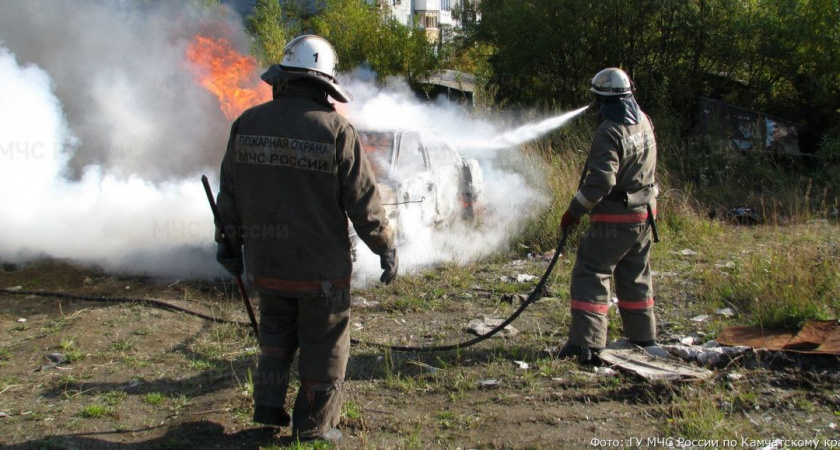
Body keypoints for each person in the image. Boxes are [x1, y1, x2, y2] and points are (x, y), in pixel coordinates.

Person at [214, 35, 398, 444]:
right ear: (323, 84)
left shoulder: (247, 124)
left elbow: (230, 197)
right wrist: (385, 246)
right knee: (325, 345)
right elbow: (363, 202)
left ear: (283, 79)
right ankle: (314, 427)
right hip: (321, 273)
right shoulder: (336, 130)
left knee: (276, 334)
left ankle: (267, 403)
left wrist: (228, 245)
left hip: (267, 266)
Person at [557, 68, 659, 364]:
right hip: (644, 213)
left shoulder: (610, 131)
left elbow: (601, 182)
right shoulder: (644, 121)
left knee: (591, 270)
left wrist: (574, 211)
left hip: (615, 218)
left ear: (603, 101)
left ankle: (585, 345)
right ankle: (643, 337)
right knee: (634, 274)